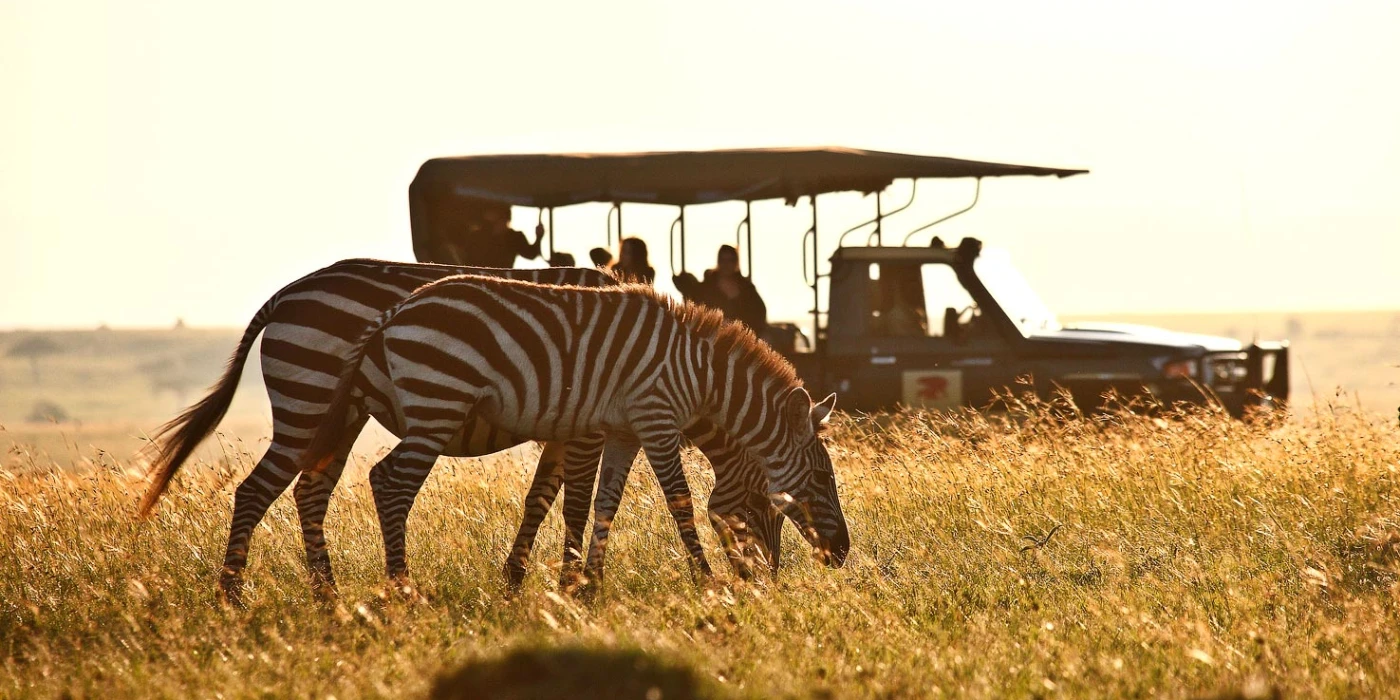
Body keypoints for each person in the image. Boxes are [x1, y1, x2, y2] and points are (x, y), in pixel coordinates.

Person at [673, 245, 767, 334]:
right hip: (713, 337)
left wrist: (741, 326)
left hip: (744, 338)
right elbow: (696, 310)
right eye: (723, 260)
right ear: (718, 262)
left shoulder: (747, 288)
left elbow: (760, 312)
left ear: (736, 262)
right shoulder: (706, 288)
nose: (726, 264)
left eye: (730, 260)